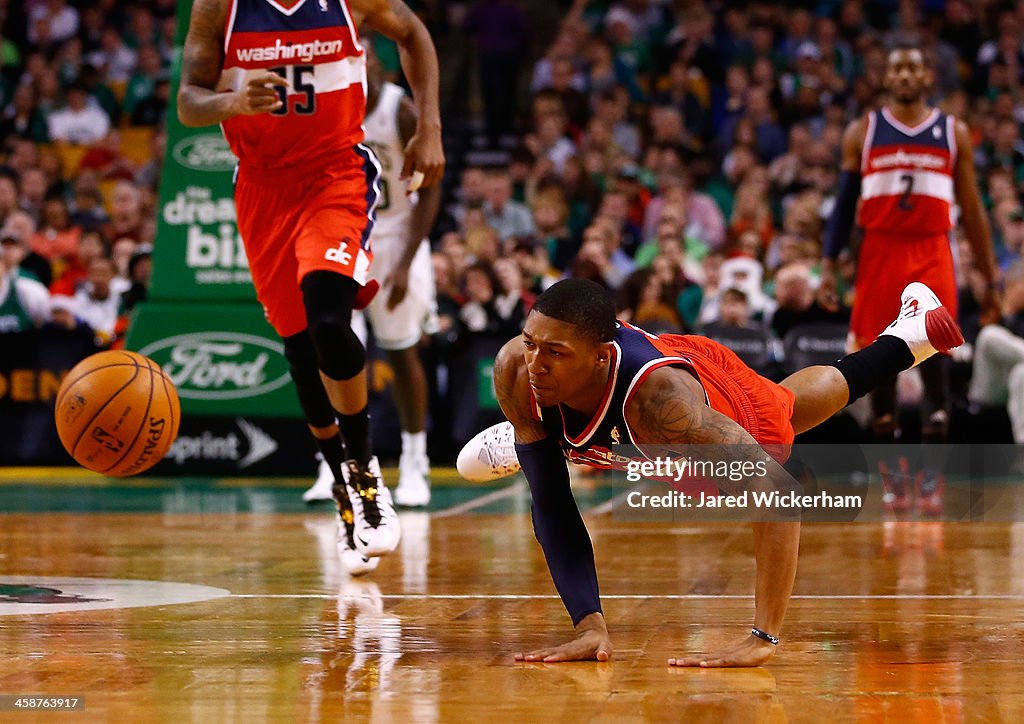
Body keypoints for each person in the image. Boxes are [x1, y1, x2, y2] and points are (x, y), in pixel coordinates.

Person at [485, 277, 962, 666]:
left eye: (554, 353)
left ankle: (904, 340)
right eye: (530, 344)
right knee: (548, 459)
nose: (535, 363)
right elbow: (551, 500)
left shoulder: (665, 405)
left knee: (784, 415)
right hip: (639, 429)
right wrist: (589, 624)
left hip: (704, 386)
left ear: (601, 356)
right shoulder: (515, 369)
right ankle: (543, 441)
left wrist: (763, 637)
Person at [178, 0, 444, 572]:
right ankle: (343, 492)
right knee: (300, 348)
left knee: (330, 319)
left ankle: (365, 471)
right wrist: (231, 101)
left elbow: (414, 33)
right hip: (262, 187)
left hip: (334, 174)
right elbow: (187, 101)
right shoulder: (218, 8)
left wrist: (430, 126)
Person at [819, 42, 999, 508]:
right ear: (886, 77)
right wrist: (827, 263)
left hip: (932, 249)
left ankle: (931, 478)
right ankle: (893, 476)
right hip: (879, 251)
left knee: (937, 359)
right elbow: (843, 206)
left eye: (912, 67)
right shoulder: (863, 130)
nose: (903, 75)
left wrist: (990, 274)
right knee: (880, 367)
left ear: (926, 77)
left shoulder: (953, 131)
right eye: (896, 66)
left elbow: (974, 212)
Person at [304, 39, 442, 508]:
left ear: (377, 68)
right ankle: (336, 463)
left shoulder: (396, 110)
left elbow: (433, 188)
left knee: (401, 351)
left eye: (366, 65)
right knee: (334, 348)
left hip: (397, 235)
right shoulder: (326, 107)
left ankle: (415, 463)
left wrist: (405, 263)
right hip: (343, 233)